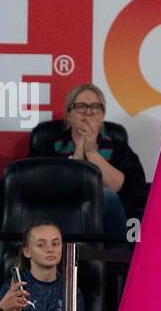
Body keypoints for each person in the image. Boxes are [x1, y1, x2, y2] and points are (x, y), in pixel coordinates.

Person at [30, 83, 147, 236]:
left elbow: (132, 190)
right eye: (81, 106)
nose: (88, 113)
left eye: (95, 107)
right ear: (68, 114)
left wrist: (91, 153)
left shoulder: (118, 147)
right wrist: (78, 157)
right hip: (58, 216)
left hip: (106, 223)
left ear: (102, 116)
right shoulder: (48, 145)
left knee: (107, 197)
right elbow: (33, 184)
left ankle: (114, 257)